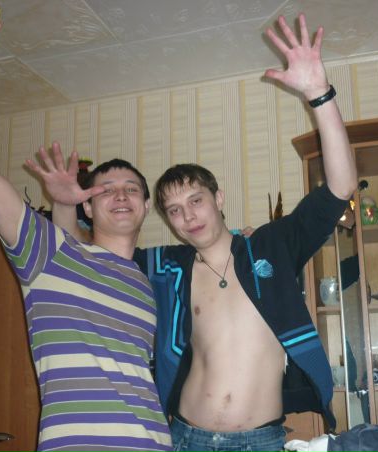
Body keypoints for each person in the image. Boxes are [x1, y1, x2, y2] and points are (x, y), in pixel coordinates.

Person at [38, 13, 357, 452]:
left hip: (261, 440)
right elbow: (76, 254)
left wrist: (319, 94)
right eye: (174, 210)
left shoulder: (271, 246)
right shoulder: (166, 266)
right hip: (184, 435)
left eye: (195, 200)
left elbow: (340, 187)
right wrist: (64, 204)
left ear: (218, 198)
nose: (187, 216)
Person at [0, 2, 172, 451]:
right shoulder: (49, 254)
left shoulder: (145, 284)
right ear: (88, 207)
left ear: (145, 208)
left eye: (132, 189)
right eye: (106, 189)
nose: (121, 195)